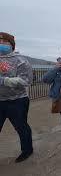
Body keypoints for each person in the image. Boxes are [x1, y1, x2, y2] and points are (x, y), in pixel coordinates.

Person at [0, 32, 34, 163]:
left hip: (17, 100)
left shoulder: (20, 60)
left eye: (4, 41)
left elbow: (26, 80)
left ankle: (27, 150)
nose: (1, 44)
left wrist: (4, 81)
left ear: (11, 45)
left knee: (21, 126)